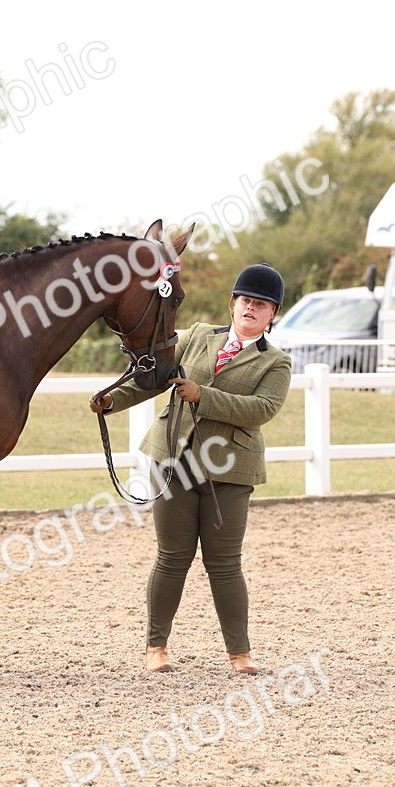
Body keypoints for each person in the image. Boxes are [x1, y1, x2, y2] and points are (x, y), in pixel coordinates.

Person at [89, 263, 291, 675]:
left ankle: (240, 653)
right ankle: (155, 647)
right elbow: (155, 376)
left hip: (230, 473)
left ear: (273, 316)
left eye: (261, 305)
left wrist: (205, 396)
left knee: (225, 564)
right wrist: (114, 399)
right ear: (233, 304)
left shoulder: (276, 363)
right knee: (171, 558)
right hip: (173, 461)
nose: (251, 309)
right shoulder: (198, 335)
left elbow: (262, 410)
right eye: (246, 301)